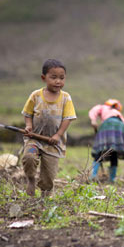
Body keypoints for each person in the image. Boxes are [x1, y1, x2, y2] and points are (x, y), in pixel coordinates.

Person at [21, 59, 77, 197]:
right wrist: (28, 126)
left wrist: (58, 135)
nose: (58, 81)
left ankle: (45, 197)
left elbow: (67, 118)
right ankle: (31, 180)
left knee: (49, 175)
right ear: (43, 78)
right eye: (54, 77)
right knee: (29, 158)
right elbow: (27, 114)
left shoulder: (66, 98)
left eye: (62, 78)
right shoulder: (36, 96)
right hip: (34, 138)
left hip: (53, 143)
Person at [88, 98, 124, 183]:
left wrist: (93, 120)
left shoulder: (102, 107)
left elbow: (93, 111)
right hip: (120, 126)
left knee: (100, 150)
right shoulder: (117, 113)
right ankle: (112, 178)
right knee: (113, 151)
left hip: (108, 123)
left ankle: (93, 175)